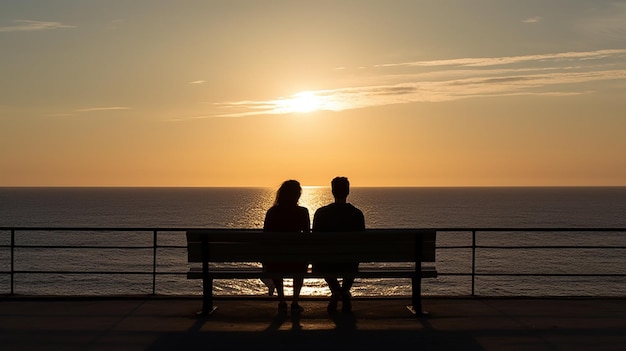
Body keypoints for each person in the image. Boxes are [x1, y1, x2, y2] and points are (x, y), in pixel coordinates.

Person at [312, 177, 365, 313]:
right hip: (349, 263)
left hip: (327, 263)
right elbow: (361, 242)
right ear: (348, 191)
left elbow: (314, 241)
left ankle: (336, 290)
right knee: (353, 257)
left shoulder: (321, 213)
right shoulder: (357, 214)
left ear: (332, 191)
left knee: (322, 260)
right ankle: (345, 291)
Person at [263, 180, 310, 312]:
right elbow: (307, 236)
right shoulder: (302, 212)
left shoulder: (272, 212)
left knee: (275, 261)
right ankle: (295, 301)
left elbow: (266, 237)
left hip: (276, 262)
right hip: (297, 262)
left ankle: (282, 300)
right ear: (297, 195)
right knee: (301, 261)